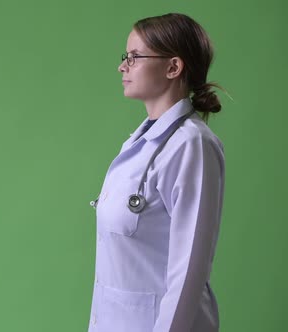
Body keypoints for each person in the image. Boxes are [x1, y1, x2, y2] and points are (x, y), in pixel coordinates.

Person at [87, 13, 225, 332]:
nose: (123, 66)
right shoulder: (141, 143)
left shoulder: (192, 145)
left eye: (134, 57)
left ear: (173, 67)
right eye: (126, 57)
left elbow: (188, 272)